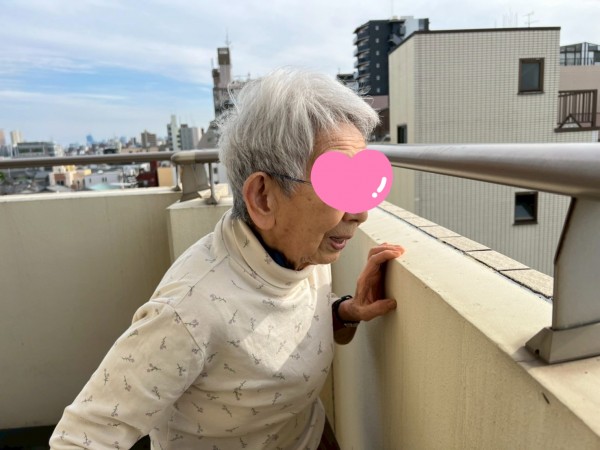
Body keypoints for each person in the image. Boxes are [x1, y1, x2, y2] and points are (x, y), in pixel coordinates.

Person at [50, 68, 404, 449]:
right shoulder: (190, 309)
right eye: (338, 185)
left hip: (311, 435)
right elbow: (81, 437)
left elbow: (278, 328)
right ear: (263, 198)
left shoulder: (304, 251)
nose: (360, 213)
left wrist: (346, 312)